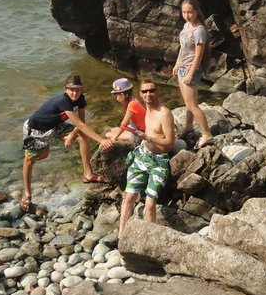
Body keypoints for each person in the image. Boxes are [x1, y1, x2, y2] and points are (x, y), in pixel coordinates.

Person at [20, 75, 113, 211]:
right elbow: (80, 125)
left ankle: (88, 174)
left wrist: (72, 136)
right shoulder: (64, 101)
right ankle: (27, 193)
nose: (75, 93)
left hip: (56, 125)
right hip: (36, 129)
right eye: (72, 90)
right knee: (32, 159)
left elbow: (81, 123)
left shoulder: (80, 99)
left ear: (81, 89)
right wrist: (102, 140)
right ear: (65, 89)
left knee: (82, 137)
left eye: (78, 89)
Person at [118, 79, 176, 235]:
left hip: (159, 161)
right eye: (144, 91)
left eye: (151, 90)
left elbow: (170, 142)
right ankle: (121, 237)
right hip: (142, 156)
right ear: (140, 94)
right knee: (129, 197)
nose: (148, 94)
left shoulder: (164, 113)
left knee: (150, 204)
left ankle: (148, 239)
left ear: (158, 92)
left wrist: (148, 138)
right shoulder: (145, 109)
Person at [171, 0, 214, 148]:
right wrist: (177, 63)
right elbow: (183, 48)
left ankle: (207, 134)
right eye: (184, 12)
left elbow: (198, 55)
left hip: (191, 69)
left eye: (190, 12)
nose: (187, 15)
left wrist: (190, 74)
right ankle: (189, 126)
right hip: (182, 67)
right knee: (187, 103)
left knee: (193, 105)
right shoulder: (186, 25)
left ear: (196, 11)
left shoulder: (199, 30)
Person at [106, 77, 146, 145]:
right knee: (111, 130)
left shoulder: (132, 104)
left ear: (122, 95)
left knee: (107, 134)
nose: (116, 97)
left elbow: (123, 125)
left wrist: (114, 138)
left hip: (141, 135)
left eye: (116, 95)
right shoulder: (133, 100)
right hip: (136, 128)